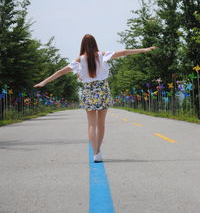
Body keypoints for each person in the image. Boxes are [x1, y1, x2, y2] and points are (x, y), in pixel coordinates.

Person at [34, 34, 156, 162]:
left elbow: (60, 72)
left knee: (91, 124)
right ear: (95, 44)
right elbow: (124, 52)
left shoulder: (79, 60)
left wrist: (44, 82)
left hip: (89, 91)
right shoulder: (102, 55)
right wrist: (144, 49)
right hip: (103, 90)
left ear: (82, 45)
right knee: (101, 123)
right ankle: (98, 150)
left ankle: (96, 153)